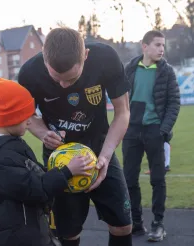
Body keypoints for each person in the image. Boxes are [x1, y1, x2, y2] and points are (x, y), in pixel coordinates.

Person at [18, 27, 132, 246]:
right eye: (56, 79)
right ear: (44, 59)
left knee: (123, 224)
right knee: (67, 231)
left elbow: (123, 112)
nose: (63, 86)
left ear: (85, 56)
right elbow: (28, 116)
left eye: (71, 79)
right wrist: (43, 133)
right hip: (59, 157)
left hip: (100, 148)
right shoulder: (29, 73)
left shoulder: (105, 58)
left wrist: (106, 156)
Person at [0, 78, 94, 246]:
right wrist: (67, 171)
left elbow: (30, 173)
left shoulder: (9, 145)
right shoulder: (0, 159)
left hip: (26, 230)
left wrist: (58, 160)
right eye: (25, 117)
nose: (30, 121)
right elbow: (36, 188)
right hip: (15, 238)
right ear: (11, 119)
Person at [122, 30, 180, 242]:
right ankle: (136, 223)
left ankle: (158, 224)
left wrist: (163, 130)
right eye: (157, 45)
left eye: (163, 45)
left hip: (156, 131)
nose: (162, 49)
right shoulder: (130, 68)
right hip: (132, 131)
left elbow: (174, 102)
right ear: (144, 46)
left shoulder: (167, 71)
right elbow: (121, 97)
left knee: (157, 179)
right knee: (129, 180)